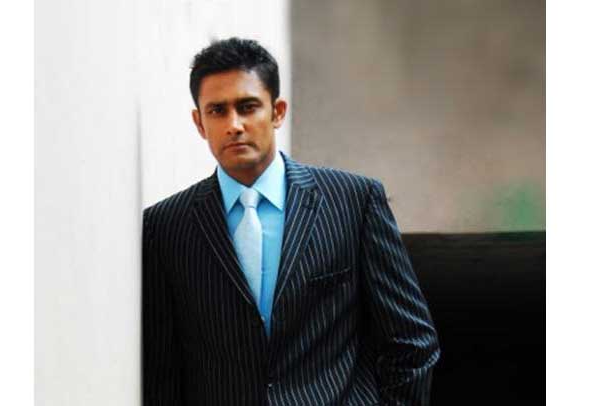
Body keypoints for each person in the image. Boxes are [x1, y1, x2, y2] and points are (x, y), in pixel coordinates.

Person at [142, 37, 440, 406]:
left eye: (248, 107)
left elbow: (411, 342)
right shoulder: (165, 226)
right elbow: (161, 369)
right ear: (199, 123)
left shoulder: (353, 202)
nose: (234, 125)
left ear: (277, 112)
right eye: (217, 111)